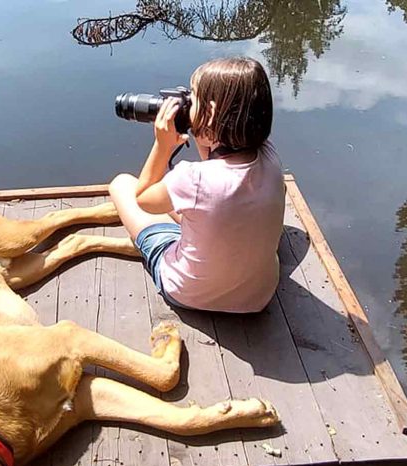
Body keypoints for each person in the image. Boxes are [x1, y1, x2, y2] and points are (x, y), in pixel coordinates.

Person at [108, 56, 286, 314]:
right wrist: (202, 126)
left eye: (193, 99)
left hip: (189, 293)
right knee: (206, 208)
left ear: (211, 113)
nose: (187, 105)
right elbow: (214, 169)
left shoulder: (192, 178)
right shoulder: (270, 157)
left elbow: (144, 198)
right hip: (258, 298)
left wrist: (163, 144)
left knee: (122, 184)